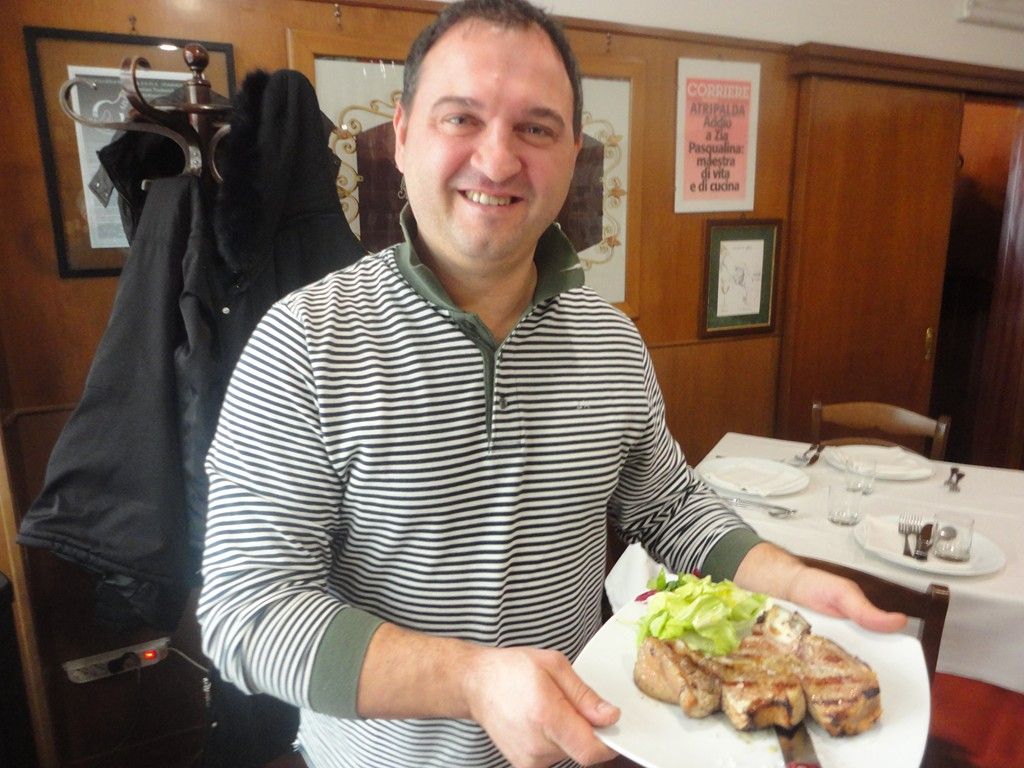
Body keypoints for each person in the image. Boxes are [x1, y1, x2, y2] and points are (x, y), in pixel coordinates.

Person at [197, 2, 906, 767]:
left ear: (572, 153)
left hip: (584, 749)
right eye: (461, 118)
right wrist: (471, 681)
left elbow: (668, 505)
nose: (497, 160)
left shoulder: (611, 342)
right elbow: (247, 612)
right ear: (401, 135)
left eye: (535, 128)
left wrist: (789, 578)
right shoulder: (304, 343)